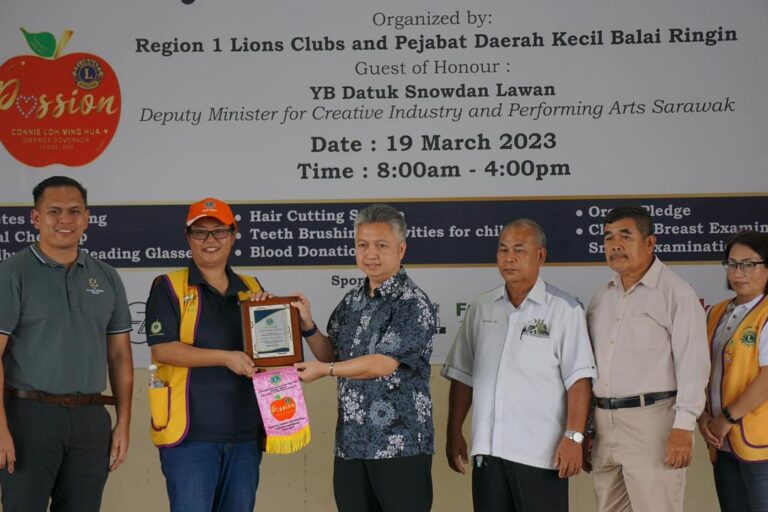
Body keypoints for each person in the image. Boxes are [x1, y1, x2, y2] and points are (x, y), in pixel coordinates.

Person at [442, 219, 596, 511]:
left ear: (540, 256)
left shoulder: (564, 309)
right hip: (488, 454)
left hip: (540, 456)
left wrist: (574, 437)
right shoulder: (482, 307)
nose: (509, 258)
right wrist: (454, 432)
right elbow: (463, 376)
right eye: (503, 250)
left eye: (519, 250)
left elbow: (579, 380)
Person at [0, 176, 133, 512]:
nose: (65, 219)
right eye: (54, 211)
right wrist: (0, 428)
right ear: (35, 218)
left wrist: (123, 422)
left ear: (87, 218)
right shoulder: (11, 274)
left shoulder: (107, 277)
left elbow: (119, 356)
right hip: (28, 418)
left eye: (74, 211)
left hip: (91, 419)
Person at [292, 203, 436, 512]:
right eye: (362, 245)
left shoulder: (412, 303)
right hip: (352, 445)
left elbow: (382, 363)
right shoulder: (352, 301)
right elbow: (331, 353)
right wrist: (307, 326)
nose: (370, 254)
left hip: (399, 446)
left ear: (401, 249)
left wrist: (326, 370)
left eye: (381, 245)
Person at [145, 197, 267, 512]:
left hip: (245, 433)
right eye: (200, 232)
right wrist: (225, 358)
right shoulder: (169, 286)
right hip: (190, 435)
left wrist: (280, 317)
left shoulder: (251, 287)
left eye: (219, 231)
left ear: (233, 235)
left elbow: (267, 352)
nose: (210, 240)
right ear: (188, 238)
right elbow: (163, 348)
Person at [587, 205, 710, 512]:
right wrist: (588, 426)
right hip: (604, 423)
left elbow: (693, 366)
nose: (615, 245)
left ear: (650, 242)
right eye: (608, 237)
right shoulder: (602, 297)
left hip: (653, 423)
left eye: (625, 236)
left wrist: (684, 427)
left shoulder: (676, 293)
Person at [698, 231, 768, 511]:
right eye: (732, 263)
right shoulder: (715, 312)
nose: (738, 272)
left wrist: (726, 418)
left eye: (748, 264)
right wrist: (703, 415)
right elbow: (701, 369)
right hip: (722, 441)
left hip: (760, 445)